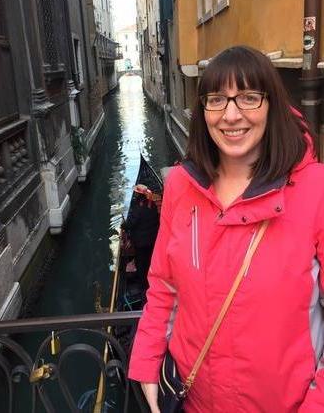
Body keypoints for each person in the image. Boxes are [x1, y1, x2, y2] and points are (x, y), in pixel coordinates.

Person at [128, 45, 324, 412]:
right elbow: (163, 286)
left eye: (249, 97)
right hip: (195, 401)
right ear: (203, 111)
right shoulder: (180, 188)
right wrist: (147, 363)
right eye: (217, 99)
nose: (231, 115)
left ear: (272, 105)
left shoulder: (316, 191)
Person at [123, 184, 159, 290]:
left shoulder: (138, 207)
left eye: (136, 193)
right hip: (152, 240)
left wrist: (123, 225)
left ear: (138, 195)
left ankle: (144, 285)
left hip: (141, 243)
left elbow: (131, 223)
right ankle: (151, 280)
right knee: (149, 260)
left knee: (141, 264)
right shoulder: (152, 204)